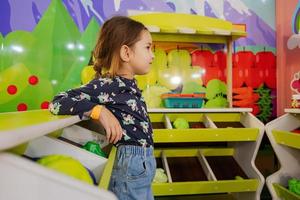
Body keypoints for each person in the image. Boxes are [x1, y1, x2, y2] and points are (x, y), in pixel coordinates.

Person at [49, 16, 156, 200]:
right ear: (126, 53)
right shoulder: (106, 84)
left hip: (144, 162)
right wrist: (99, 111)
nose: (152, 55)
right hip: (130, 164)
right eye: (148, 47)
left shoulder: (130, 84)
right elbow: (58, 101)